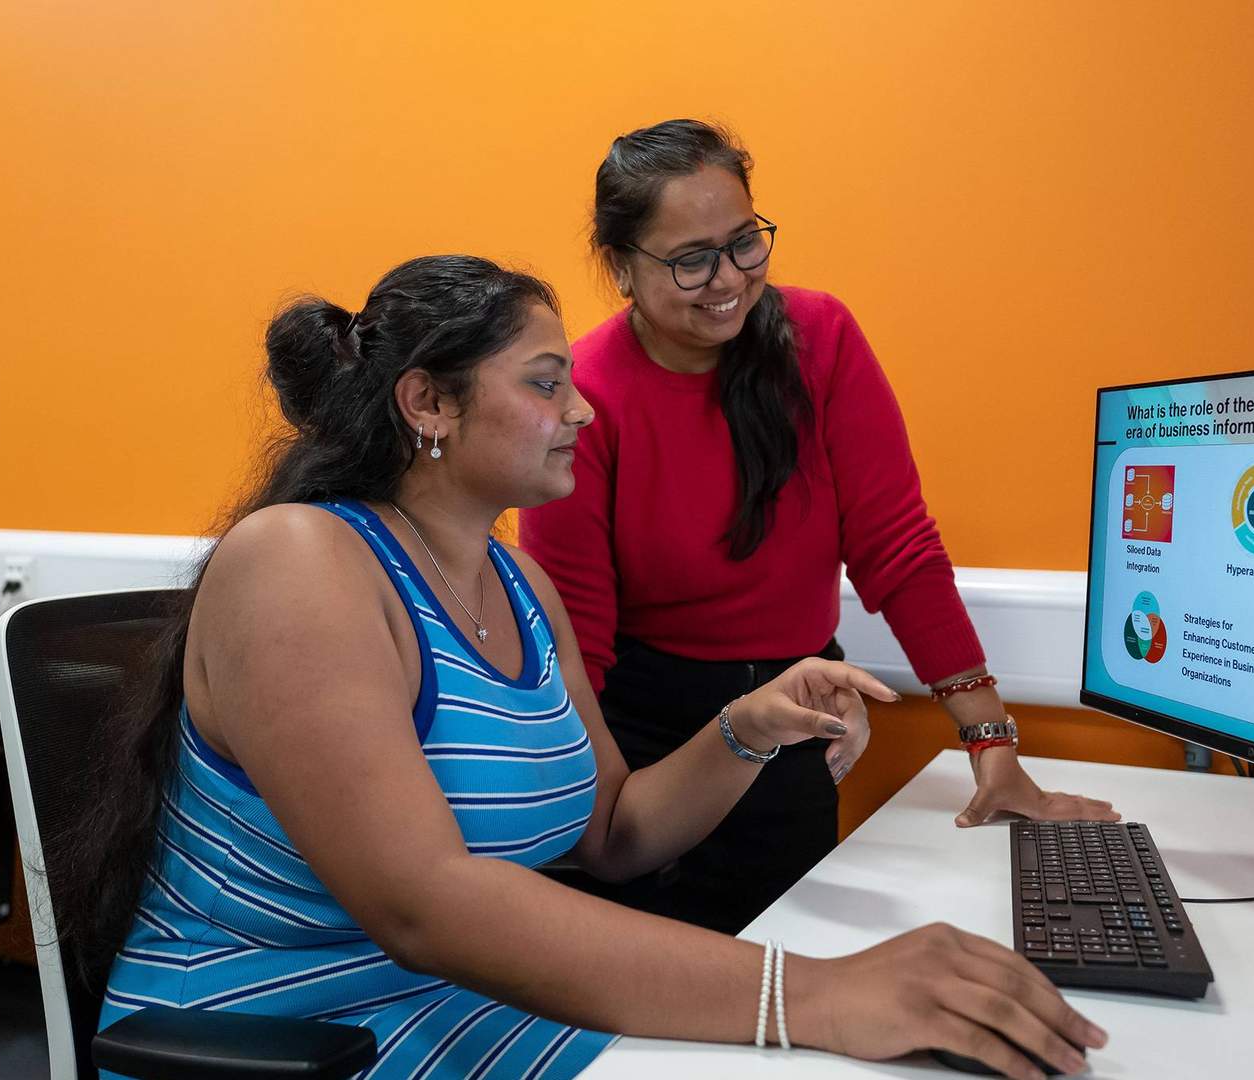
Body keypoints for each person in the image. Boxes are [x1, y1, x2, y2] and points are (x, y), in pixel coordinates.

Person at [55, 254, 1107, 1080]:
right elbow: (423, 906)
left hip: (459, 1008)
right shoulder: (301, 562)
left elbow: (611, 834)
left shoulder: (518, 586)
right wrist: (817, 993)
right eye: (547, 384)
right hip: (300, 1037)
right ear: (429, 404)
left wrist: (752, 725)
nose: (584, 410)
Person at [520, 119, 1118, 934]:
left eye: (745, 243)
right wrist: (593, 816)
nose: (727, 278)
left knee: (790, 985)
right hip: (650, 743)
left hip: (800, 724)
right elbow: (575, 641)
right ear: (622, 265)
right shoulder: (586, 397)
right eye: (690, 258)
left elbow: (897, 549)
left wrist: (992, 745)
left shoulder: (820, 339)